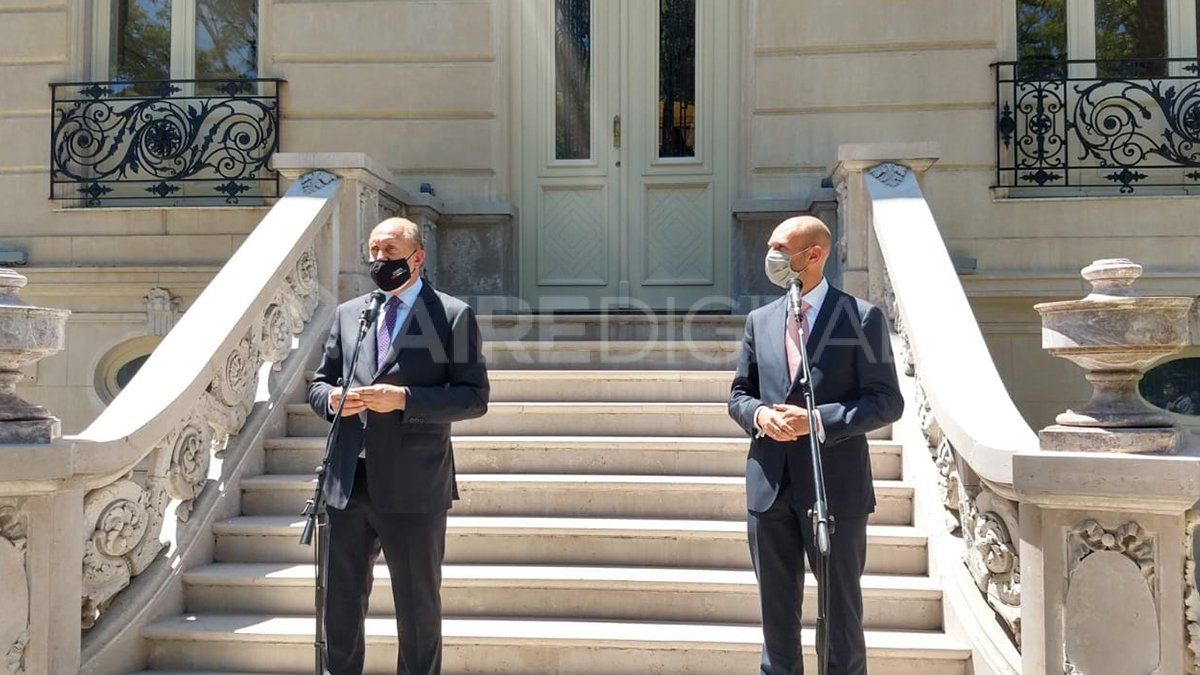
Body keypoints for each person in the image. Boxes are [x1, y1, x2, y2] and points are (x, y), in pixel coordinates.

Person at [307, 217, 489, 675]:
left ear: (417, 257)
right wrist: (331, 400)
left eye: (389, 252)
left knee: (417, 609)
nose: (379, 261)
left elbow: (473, 398)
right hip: (348, 482)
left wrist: (404, 400)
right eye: (373, 252)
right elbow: (319, 383)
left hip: (413, 486)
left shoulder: (451, 315)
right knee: (341, 609)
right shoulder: (351, 314)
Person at [728, 215, 904, 675]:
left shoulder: (861, 317)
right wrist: (760, 416)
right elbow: (739, 395)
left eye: (781, 247)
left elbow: (887, 402)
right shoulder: (759, 320)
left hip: (835, 491)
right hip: (769, 490)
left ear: (813, 255)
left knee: (841, 618)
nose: (771, 256)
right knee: (776, 621)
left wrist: (817, 421)